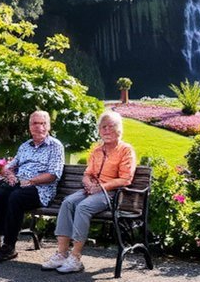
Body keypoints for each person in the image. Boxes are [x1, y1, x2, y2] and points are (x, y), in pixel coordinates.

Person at [42, 110, 136, 274]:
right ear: (99, 130)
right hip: (91, 190)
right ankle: (62, 254)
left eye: (111, 126)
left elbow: (125, 179)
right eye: (103, 127)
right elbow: (87, 174)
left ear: (119, 129)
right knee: (68, 202)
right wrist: (89, 184)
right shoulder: (97, 150)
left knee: (83, 207)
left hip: (111, 193)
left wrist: (101, 187)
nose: (106, 130)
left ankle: (75, 257)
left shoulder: (125, 150)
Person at [0, 110, 64, 263]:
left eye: (43, 123)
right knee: (1, 193)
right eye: (35, 123)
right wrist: (10, 175)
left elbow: (53, 174)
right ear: (30, 127)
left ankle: (9, 247)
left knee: (16, 197)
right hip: (21, 185)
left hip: (41, 189)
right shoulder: (25, 146)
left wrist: (32, 181)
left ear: (48, 126)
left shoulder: (55, 146)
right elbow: (8, 167)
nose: (39, 127)